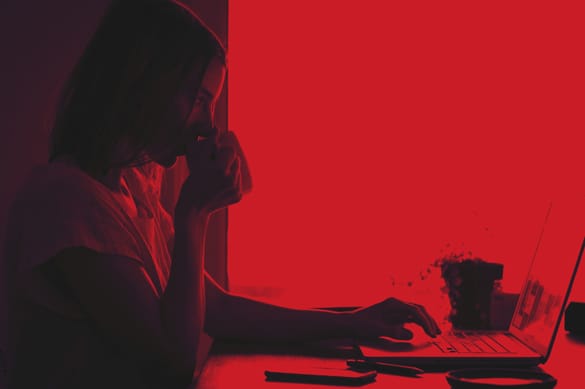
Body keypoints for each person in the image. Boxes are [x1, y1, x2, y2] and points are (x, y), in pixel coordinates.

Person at [1, 0, 440, 388]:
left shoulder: (133, 189)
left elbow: (216, 308)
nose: (208, 124)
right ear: (141, 84)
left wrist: (353, 322)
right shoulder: (65, 202)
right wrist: (193, 214)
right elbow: (171, 362)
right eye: (199, 98)